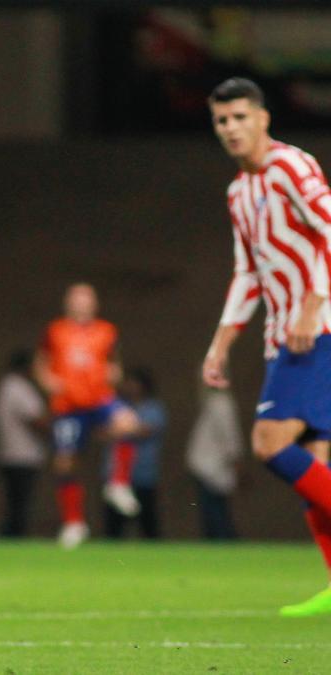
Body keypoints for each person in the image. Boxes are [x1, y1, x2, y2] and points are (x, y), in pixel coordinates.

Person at [201, 77, 331, 616]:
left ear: (263, 119)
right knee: (316, 469)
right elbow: (247, 272)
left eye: (239, 117)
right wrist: (221, 341)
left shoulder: (291, 168)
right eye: (221, 121)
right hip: (285, 337)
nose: (231, 128)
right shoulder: (240, 191)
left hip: (319, 329)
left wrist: (312, 302)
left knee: (270, 442)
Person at [34, 283, 140, 548]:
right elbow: (41, 363)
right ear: (68, 303)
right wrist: (48, 381)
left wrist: (113, 373)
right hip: (69, 403)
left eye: (86, 299)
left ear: (94, 304)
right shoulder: (55, 330)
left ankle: (118, 483)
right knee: (65, 462)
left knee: (128, 423)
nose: (81, 304)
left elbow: (114, 362)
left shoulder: (106, 331)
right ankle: (74, 523)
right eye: (76, 299)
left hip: (99, 398)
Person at [102, 367, 165, 540]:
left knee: (148, 523)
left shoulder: (153, 408)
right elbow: (102, 432)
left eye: (134, 382)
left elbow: (145, 430)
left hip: (143, 475)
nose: (129, 386)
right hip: (115, 475)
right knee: (113, 526)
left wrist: (122, 430)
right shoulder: (116, 407)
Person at [0, 348, 49, 538]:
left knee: (16, 505)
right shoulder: (18, 387)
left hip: (12, 455)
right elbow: (38, 421)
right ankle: (12, 541)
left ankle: (11, 538)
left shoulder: (8, 385)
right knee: (19, 507)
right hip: (21, 456)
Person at [186, 382, 245, 540]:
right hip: (207, 468)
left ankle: (227, 549)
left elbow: (230, 437)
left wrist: (237, 464)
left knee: (216, 516)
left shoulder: (222, 403)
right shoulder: (212, 402)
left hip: (214, 467)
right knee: (213, 515)